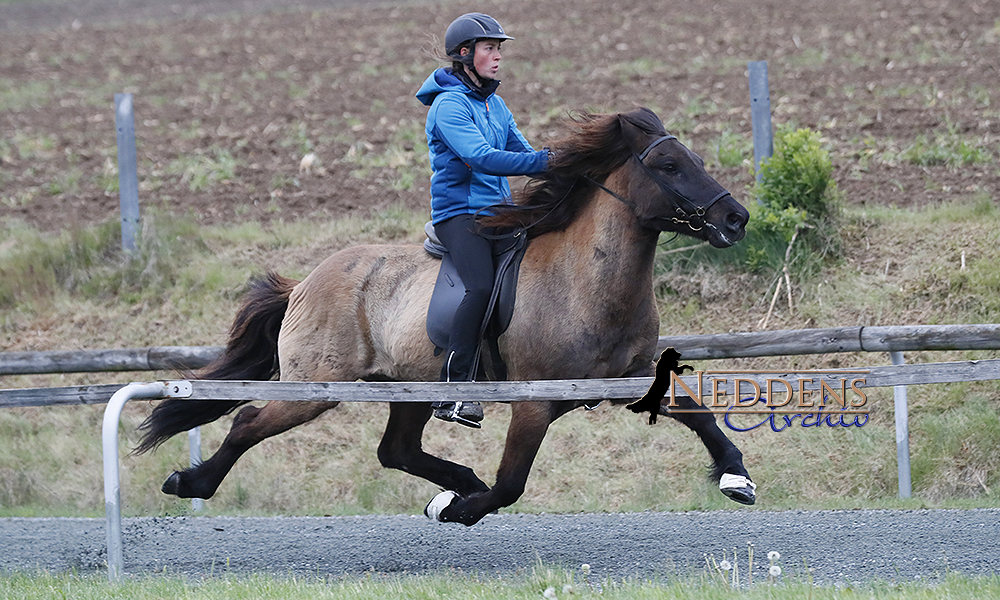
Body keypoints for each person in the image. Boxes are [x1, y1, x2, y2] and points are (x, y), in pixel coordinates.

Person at [415, 12, 549, 428]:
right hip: (460, 216)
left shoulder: (495, 103)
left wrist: (568, 168)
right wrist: (545, 159)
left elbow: (524, 154)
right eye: (490, 48)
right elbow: (482, 158)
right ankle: (454, 392)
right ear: (465, 54)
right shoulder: (448, 106)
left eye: (499, 49)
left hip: (498, 215)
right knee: (480, 286)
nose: (497, 56)